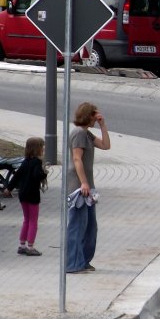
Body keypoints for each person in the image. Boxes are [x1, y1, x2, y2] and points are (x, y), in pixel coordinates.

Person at [66, 102, 111, 274]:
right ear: (88, 115)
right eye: (95, 115)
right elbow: (77, 159)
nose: (96, 118)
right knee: (78, 225)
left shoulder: (87, 134)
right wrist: (83, 182)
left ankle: (84, 261)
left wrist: (103, 125)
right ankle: (72, 264)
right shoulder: (78, 134)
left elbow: (106, 145)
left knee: (90, 227)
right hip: (79, 187)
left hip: (88, 187)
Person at [3, 136, 48, 256]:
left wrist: (9, 188)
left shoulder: (25, 162)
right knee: (33, 221)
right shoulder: (37, 162)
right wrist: (44, 173)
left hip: (22, 194)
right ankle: (30, 246)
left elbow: (16, 176)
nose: (43, 149)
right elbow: (36, 175)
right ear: (37, 149)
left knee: (26, 220)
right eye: (42, 147)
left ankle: (22, 245)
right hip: (32, 194)